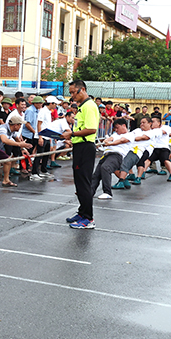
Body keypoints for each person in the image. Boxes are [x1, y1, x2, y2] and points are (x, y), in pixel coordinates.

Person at [64, 79, 99, 229]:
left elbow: (91, 129)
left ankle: (88, 218)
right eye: (70, 93)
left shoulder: (89, 106)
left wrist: (72, 134)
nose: (72, 96)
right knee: (79, 182)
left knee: (84, 182)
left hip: (86, 147)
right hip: (80, 146)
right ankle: (82, 211)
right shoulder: (82, 106)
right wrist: (73, 137)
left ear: (82, 89)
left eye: (74, 92)